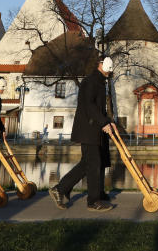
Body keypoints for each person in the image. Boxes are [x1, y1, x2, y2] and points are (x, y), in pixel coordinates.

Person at [49, 56, 115, 212]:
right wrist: (103, 122)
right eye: (108, 69)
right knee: (93, 164)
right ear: (100, 65)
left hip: (94, 129)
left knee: (89, 163)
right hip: (88, 129)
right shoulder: (90, 81)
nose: (109, 73)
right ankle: (93, 201)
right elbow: (89, 105)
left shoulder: (99, 82)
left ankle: (61, 189)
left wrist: (108, 121)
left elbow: (98, 108)